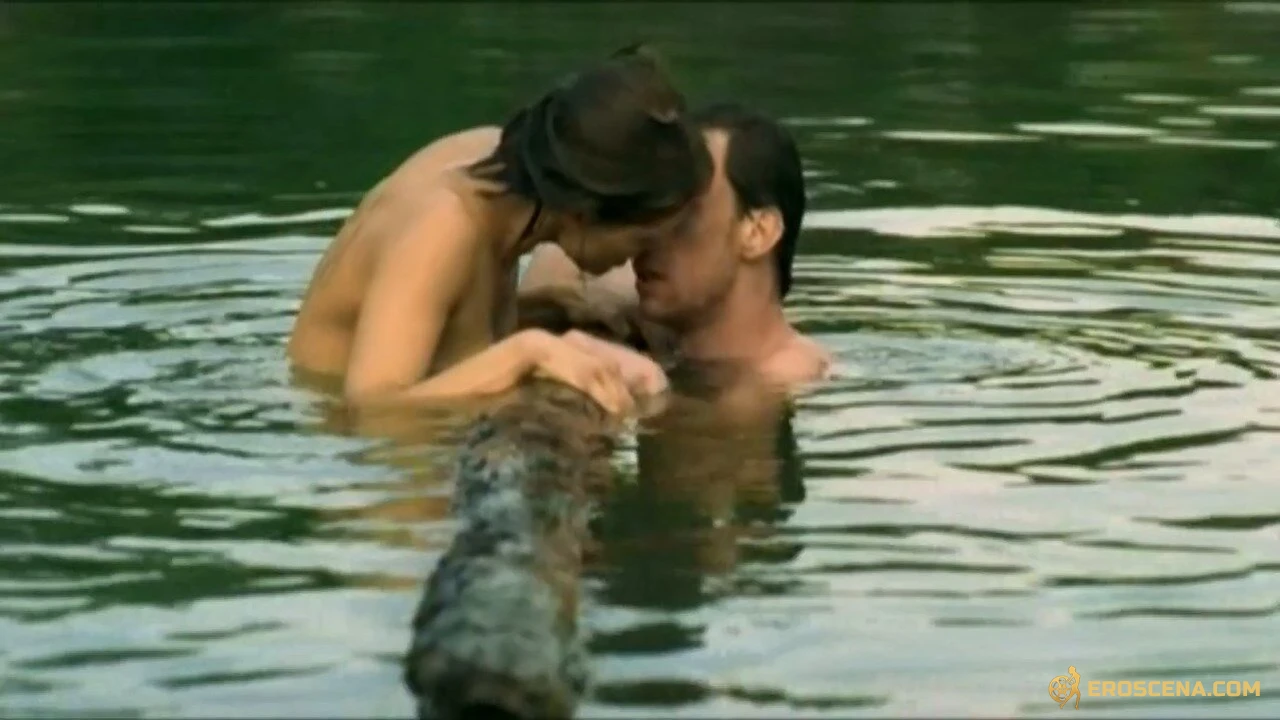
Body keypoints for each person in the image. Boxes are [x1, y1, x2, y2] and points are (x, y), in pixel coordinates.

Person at [287, 45, 711, 416]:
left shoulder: (496, 164)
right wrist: (528, 352)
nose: (639, 260)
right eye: (641, 241)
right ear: (584, 211)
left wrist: (544, 310)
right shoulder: (445, 226)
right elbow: (370, 409)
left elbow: (445, 323)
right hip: (336, 450)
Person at [517, 101, 831, 389]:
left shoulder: (783, 375)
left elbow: (728, 418)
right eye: (649, 211)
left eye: (682, 214)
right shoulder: (666, 338)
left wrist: (650, 388)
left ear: (757, 232)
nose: (648, 235)